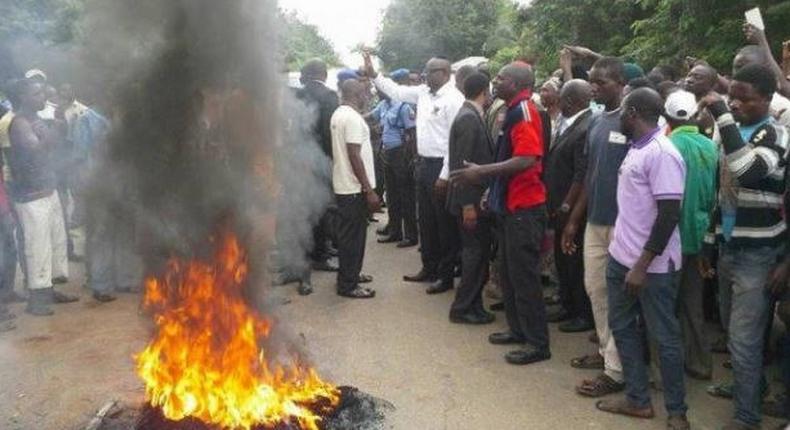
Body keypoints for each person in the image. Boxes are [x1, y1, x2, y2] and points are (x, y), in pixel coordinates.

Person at [594, 88, 689, 430]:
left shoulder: (663, 153)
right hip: (622, 258)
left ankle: (677, 412)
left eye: (622, 110)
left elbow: (668, 215)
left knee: (664, 337)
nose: (619, 115)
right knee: (623, 328)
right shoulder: (637, 147)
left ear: (632, 112)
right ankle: (637, 400)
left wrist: (641, 265)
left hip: (652, 267)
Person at [701, 64, 789, 430]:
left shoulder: (778, 135)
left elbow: (747, 172)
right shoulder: (731, 132)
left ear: (768, 100)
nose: (735, 104)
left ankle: (746, 417)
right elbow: (720, 191)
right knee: (732, 330)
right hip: (729, 245)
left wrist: (721, 117)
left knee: (744, 339)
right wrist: (710, 242)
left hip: (760, 252)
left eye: (745, 99)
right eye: (731, 97)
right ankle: (752, 388)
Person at [452, 62, 550, 365]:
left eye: (502, 78)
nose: (495, 81)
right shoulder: (513, 108)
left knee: (524, 279)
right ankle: (518, 330)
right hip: (510, 207)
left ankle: (537, 343)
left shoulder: (524, 111)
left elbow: (526, 159)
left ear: (518, 84)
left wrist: (483, 172)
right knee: (508, 274)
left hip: (525, 209)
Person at [364, 52, 464, 295]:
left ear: (443, 73)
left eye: (428, 72)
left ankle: (445, 275)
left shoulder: (454, 99)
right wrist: (374, 74)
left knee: (444, 224)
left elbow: (456, 141)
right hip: (423, 164)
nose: (423, 75)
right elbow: (397, 91)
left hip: (442, 166)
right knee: (427, 221)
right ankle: (428, 268)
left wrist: (445, 174)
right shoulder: (423, 93)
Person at [562, 57, 627, 398]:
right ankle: (606, 352)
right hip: (595, 222)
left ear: (619, 81)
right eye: (592, 82)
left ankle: (617, 371)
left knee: (617, 296)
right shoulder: (598, 123)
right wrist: (574, 220)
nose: (594, 87)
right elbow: (588, 175)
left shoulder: (634, 120)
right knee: (595, 290)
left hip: (623, 226)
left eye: (600, 82)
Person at [6, 78, 77, 316]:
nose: (42, 97)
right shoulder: (20, 123)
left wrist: (55, 130)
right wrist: (52, 133)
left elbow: (56, 144)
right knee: (38, 247)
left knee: (55, 244)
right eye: (36, 94)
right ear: (23, 97)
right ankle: (36, 300)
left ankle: (49, 290)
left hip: (49, 189)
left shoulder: (37, 119)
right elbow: (35, 149)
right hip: (31, 195)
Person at [664, 90, 719, 382]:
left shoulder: (668, 145)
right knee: (692, 303)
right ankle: (700, 363)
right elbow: (713, 194)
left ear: (668, 116)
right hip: (699, 234)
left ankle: (668, 367)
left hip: (671, 236)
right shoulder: (709, 146)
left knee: (665, 305)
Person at [446, 72, 495, 325]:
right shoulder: (468, 118)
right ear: (484, 92)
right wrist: (467, 205)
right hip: (470, 200)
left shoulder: (472, 115)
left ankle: (473, 305)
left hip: (474, 199)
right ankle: (463, 307)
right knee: (474, 255)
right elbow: (463, 166)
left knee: (477, 255)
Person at [545, 79, 594, 334]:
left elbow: (581, 174)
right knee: (563, 259)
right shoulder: (573, 123)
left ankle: (581, 313)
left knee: (574, 259)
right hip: (560, 204)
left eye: (562, 98)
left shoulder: (585, 127)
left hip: (572, 207)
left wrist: (566, 206)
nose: (558, 103)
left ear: (571, 101)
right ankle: (567, 304)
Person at [330, 79, 380, 299]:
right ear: (357, 94)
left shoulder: (339, 114)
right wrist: (368, 190)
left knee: (350, 236)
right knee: (353, 238)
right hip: (353, 188)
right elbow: (354, 154)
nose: (367, 96)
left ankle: (351, 274)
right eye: (365, 92)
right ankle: (348, 285)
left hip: (346, 186)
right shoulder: (351, 118)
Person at [295, 59, 340, 294]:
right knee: (322, 210)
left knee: (303, 213)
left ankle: (304, 263)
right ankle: (319, 257)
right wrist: (334, 163)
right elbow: (329, 132)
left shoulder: (296, 95)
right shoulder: (330, 96)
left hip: (297, 162)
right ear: (323, 74)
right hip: (321, 161)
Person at [368, 69, 417, 247]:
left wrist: (411, 158)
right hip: (387, 154)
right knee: (392, 195)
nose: (377, 93)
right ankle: (395, 230)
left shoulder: (404, 107)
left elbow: (412, 133)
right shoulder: (383, 105)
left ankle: (411, 235)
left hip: (401, 155)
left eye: (380, 90)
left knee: (406, 196)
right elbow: (369, 117)